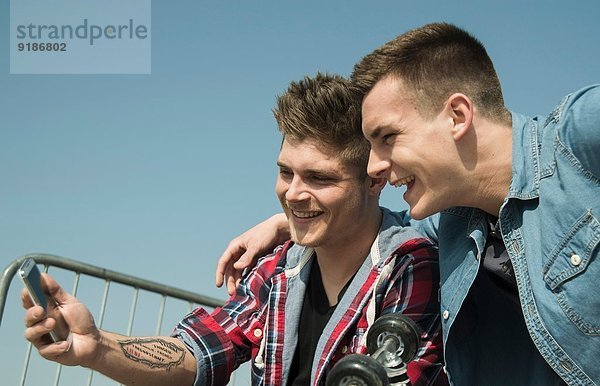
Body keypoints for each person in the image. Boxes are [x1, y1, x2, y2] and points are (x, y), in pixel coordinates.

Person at [215, 24, 600, 385]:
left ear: (457, 116)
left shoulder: (577, 138)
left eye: (387, 137)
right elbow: (369, 226)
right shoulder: (447, 225)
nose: (375, 165)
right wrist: (286, 222)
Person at [24, 73, 445, 385]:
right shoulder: (279, 269)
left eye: (319, 178)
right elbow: (200, 353)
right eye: (285, 173)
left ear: (374, 180)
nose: (293, 194)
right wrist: (97, 346)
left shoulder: (408, 265)